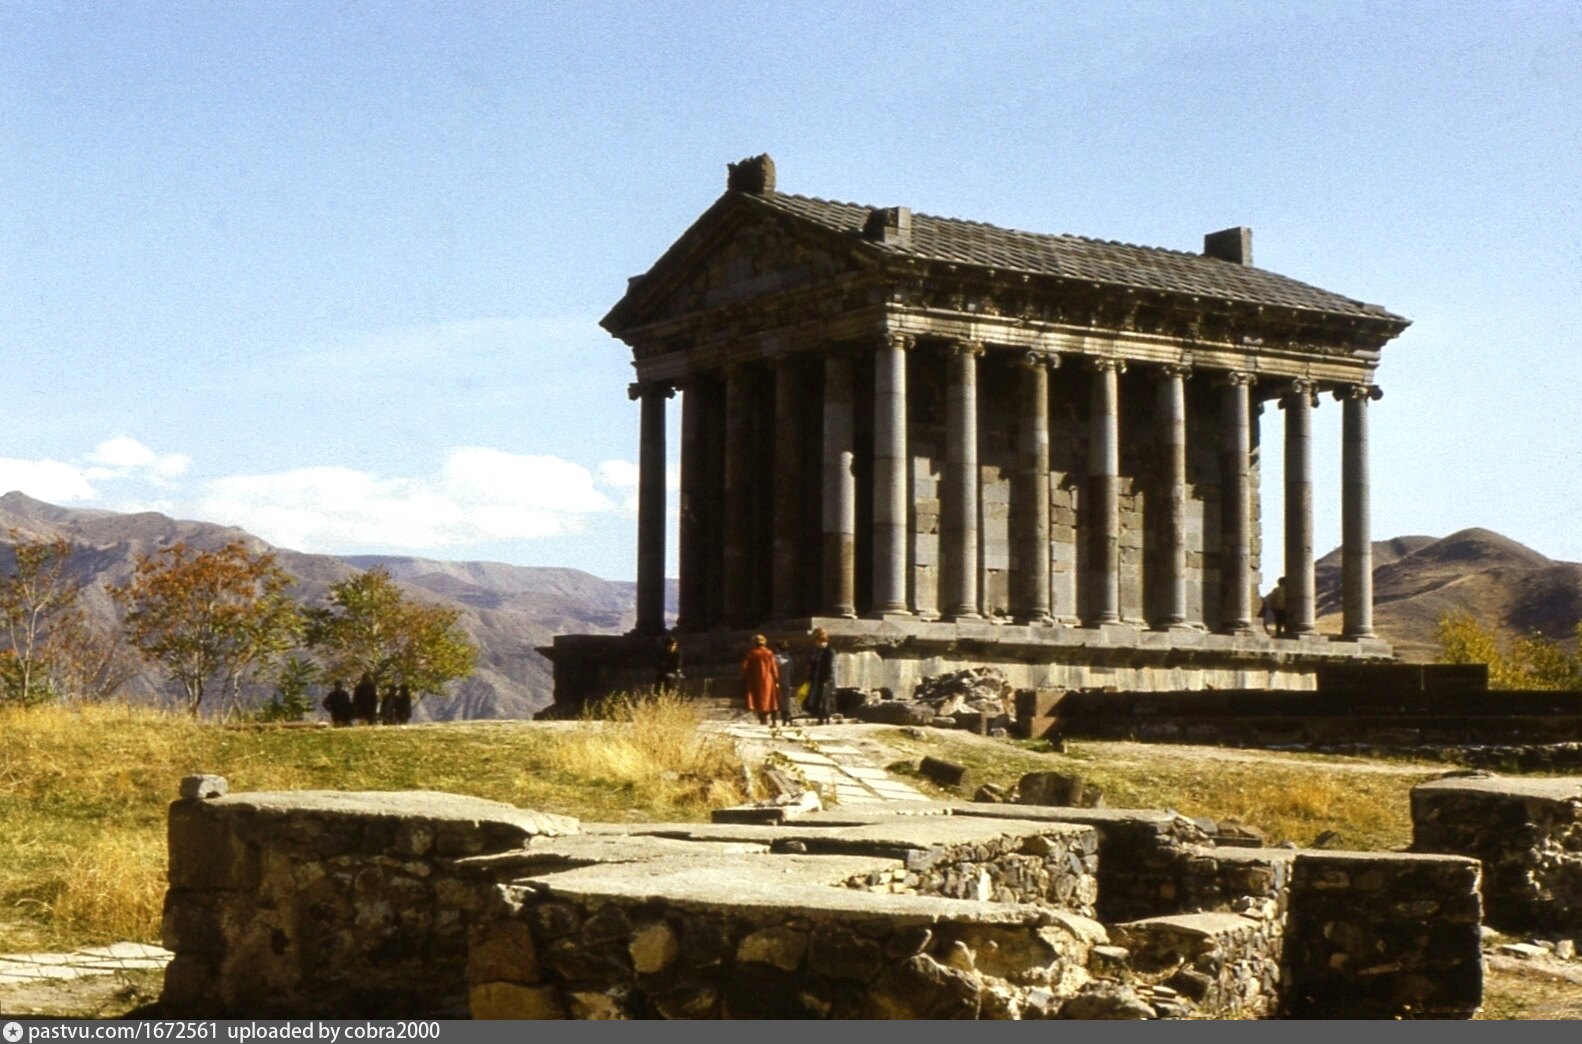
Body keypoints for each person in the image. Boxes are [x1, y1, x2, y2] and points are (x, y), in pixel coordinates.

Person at [740, 633, 781, 726]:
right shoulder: (769, 653)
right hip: (769, 679)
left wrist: (746, 676)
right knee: (772, 699)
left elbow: (744, 666)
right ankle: (774, 721)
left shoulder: (752, 653)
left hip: (756, 679)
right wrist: (776, 678)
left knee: (759, 699)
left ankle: (763, 720)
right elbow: (774, 668)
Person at [804, 627, 836, 726]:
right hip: (816, 677)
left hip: (825, 678)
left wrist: (828, 677)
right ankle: (819, 716)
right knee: (817, 697)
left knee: (825, 697)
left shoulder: (829, 651)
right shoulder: (817, 651)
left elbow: (831, 666)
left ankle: (825, 717)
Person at [773, 640, 796, 726]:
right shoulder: (789, 658)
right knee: (786, 701)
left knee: (777, 701)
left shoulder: (775, 658)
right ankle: (786, 717)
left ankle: (777, 719)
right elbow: (792, 672)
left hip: (777, 682)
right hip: (787, 681)